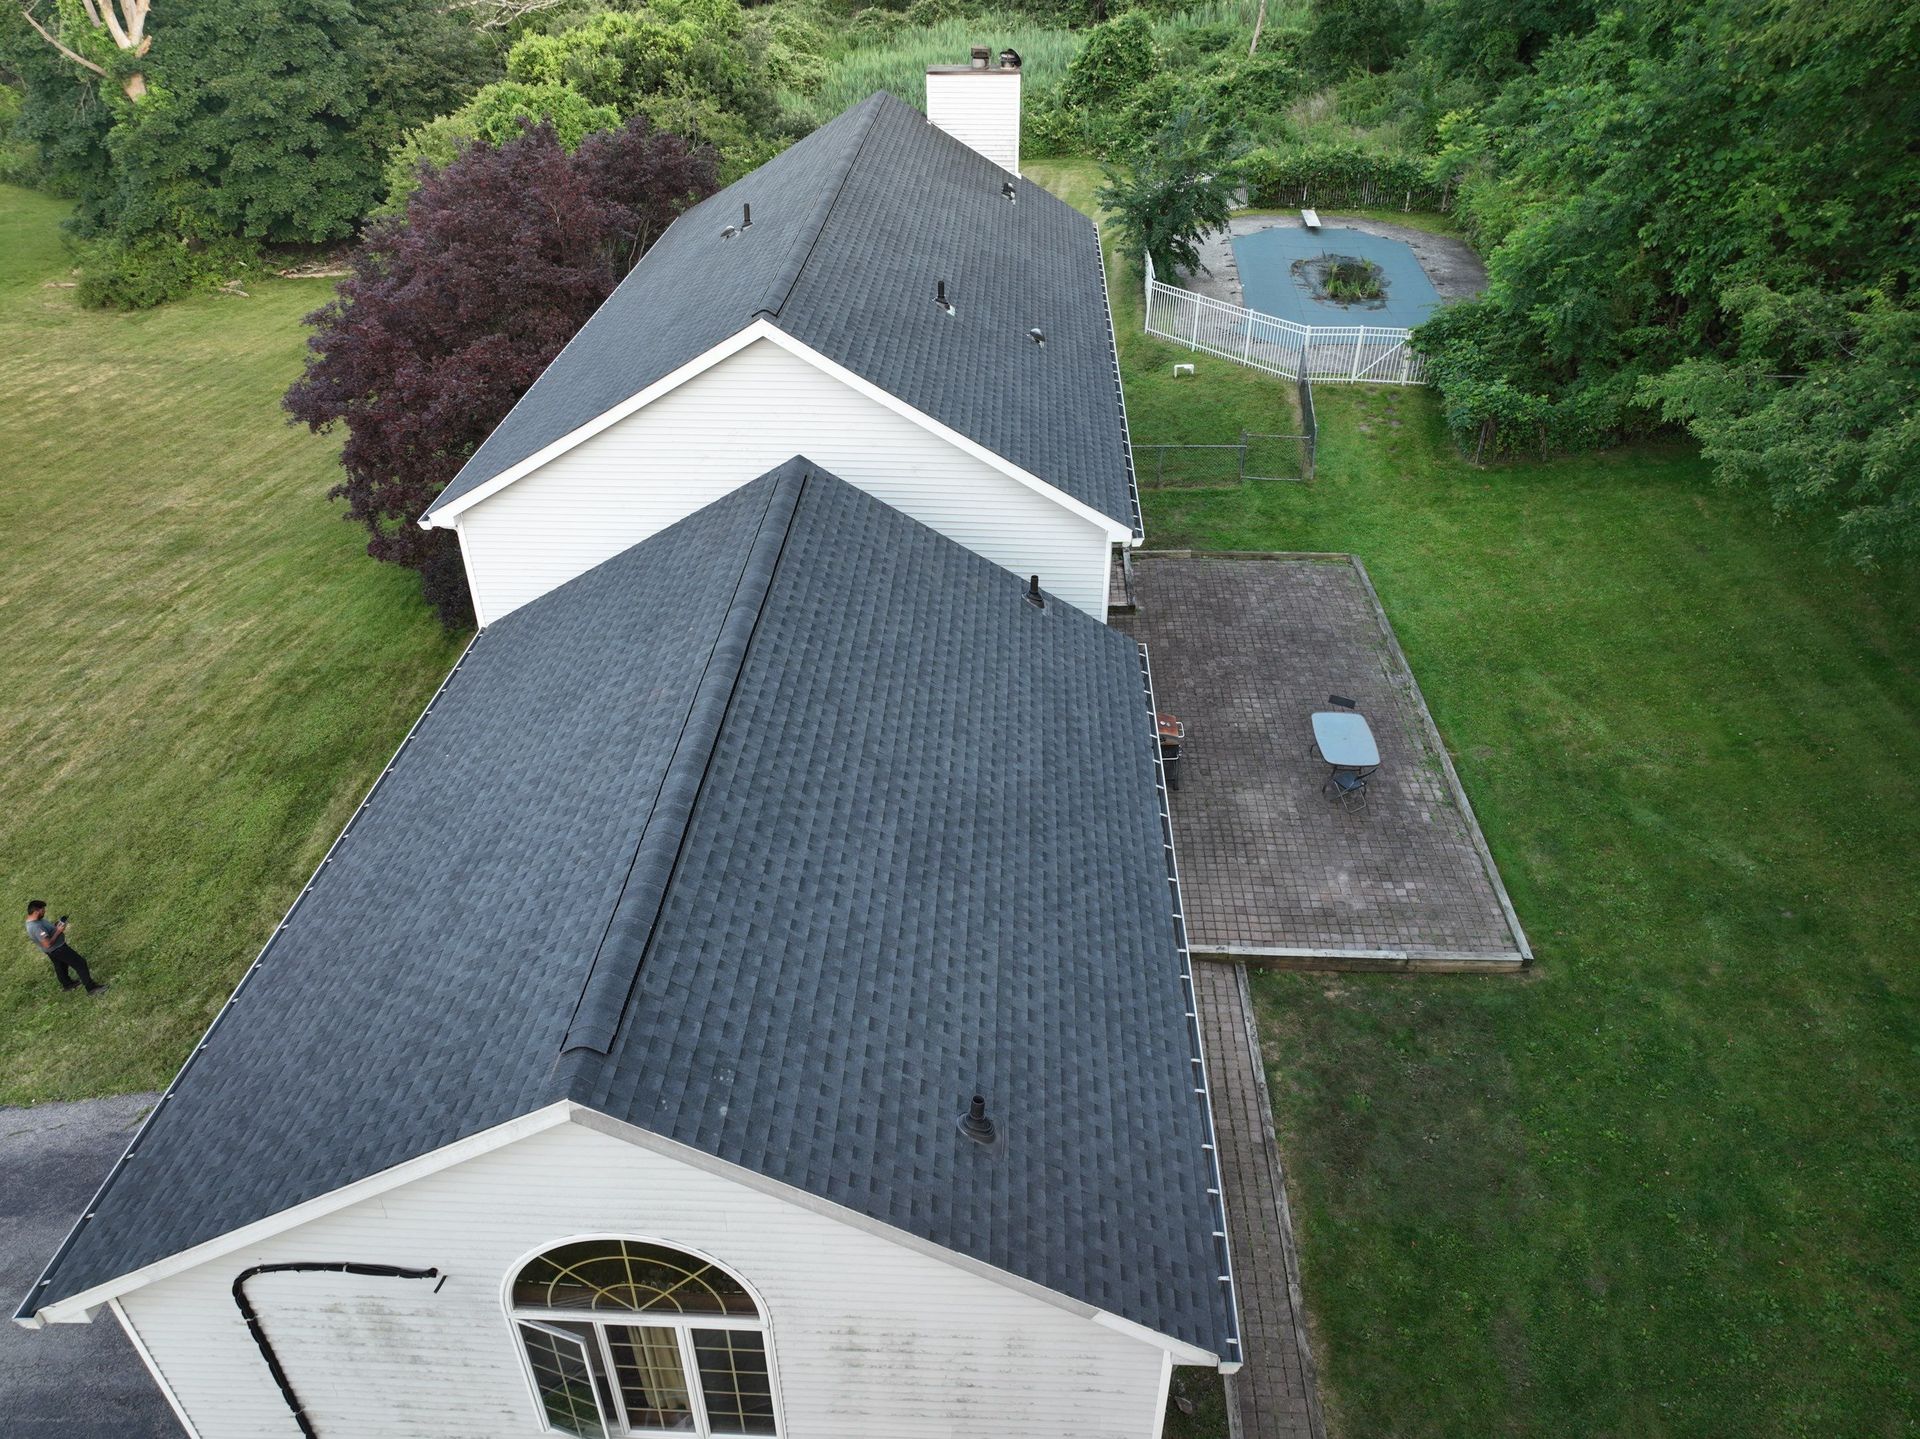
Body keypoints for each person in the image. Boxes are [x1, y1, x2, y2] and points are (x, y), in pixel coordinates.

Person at [24, 900, 105, 994]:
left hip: (52, 951)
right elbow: (47, 943)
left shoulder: (35, 920)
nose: (44, 912)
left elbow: (46, 933)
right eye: (43, 910)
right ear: (36, 911)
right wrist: (58, 931)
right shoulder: (35, 927)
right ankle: (91, 988)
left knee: (60, 966)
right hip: (58, 949)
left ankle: (67, 984)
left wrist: (55, 926)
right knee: (80, 963)